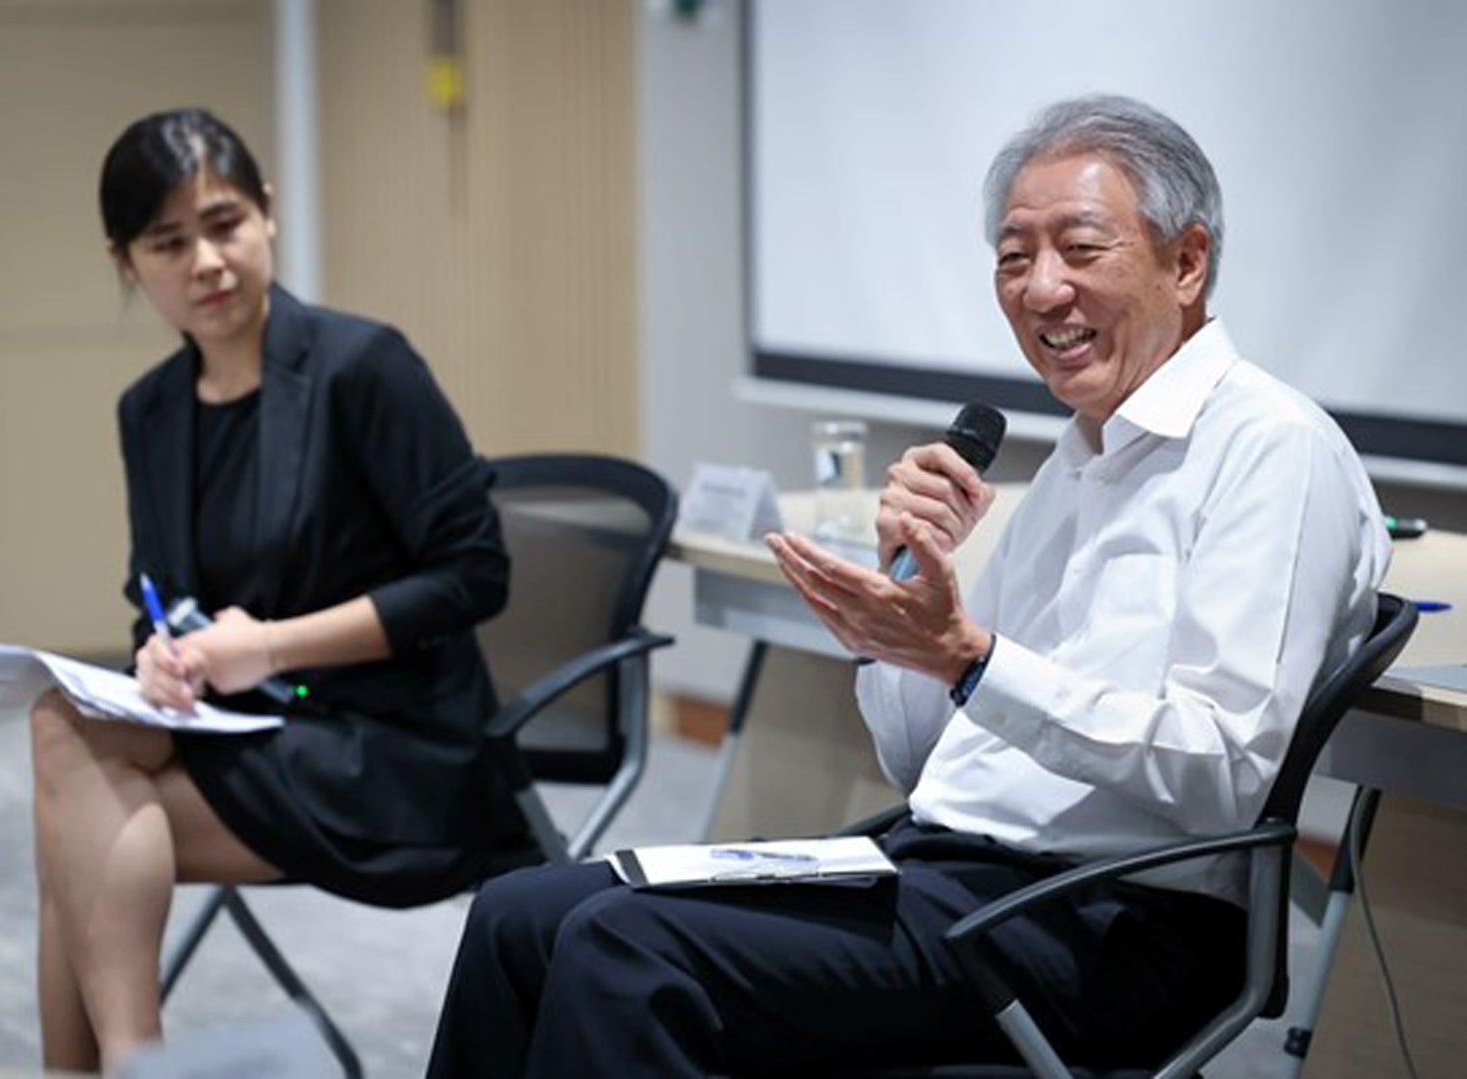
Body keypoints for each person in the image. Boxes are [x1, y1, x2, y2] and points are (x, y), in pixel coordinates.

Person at [424, 94, 1391, 1078]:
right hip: (950, 866)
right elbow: (920, 753)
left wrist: (970, 659)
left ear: (1186, 263)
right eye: (1014, 257)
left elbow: (1221, 771)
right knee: (521, 911)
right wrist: (899, 615)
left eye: (1079, 248)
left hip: (1111, 918)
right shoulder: (1076, 462)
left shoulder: (1271, 450)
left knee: (625, 952)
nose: (1041, 289)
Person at [29, 107, 522, 1072]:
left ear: (267, 216)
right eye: (169, 242)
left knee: (74, 835)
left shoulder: (362, 367)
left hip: (390, 751)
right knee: (59, 727)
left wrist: (272, 645)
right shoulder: (153, 411)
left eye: (224, 224)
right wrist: (160, 650)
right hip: (247, 729)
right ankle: (130, 1061)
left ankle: (116, 1064)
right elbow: (159, 589)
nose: (207, 261)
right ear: (127, 261)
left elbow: (475, 571)